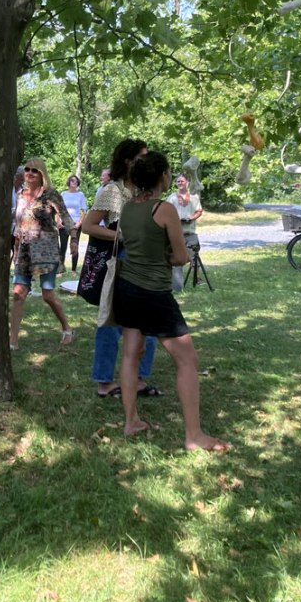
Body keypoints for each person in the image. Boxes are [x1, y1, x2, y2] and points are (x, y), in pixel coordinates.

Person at [112, 151, 229, 451]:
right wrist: (175, 254)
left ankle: (131, 422)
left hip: (127, 289)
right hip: (154, 293)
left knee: (130, 354)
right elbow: (180, 256)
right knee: (187, 360)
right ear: (162, 176)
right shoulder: (164, 209)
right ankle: (194, 436)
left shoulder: (127, 207)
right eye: (168, 172)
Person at [81, 139, 161, 399]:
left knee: (147, 321)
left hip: (145, 261)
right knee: (111, 321)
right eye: (142, 157)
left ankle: (138, 379)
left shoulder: (147, 189)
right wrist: (120, 236)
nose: (146, 161)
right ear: (128, 161)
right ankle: (104, 381)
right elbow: (88, 226)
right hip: (121, 260)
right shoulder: (112, 191)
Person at [9, 157, 74, 349]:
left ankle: (67, 328)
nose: (29, 173)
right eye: (27, 169)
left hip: (46, 250)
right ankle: (12, 340)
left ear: (41, 173)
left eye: (34, 170)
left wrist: (74, 239)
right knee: (18, 294)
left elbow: (66, 217)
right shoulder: (20, 195)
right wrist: (15, 248)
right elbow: (18, 224)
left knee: (47, 295)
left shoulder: (50, 194)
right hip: (25, 251)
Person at [167, 174, 203, 292]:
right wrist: (175, 220)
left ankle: (197, 280)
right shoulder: (172, 198)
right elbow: (166, 213)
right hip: (176, 234)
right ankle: (177, 285)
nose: (180, 183)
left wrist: (192, 218)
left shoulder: (194, 197)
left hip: (190, 232)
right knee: (176, 258)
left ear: (187, 183)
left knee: (194, 256)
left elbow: (199, 211)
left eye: (182, 181)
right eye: (178, 181)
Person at [59, 175, 88, 273]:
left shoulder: (80, 194)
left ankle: (74, 270)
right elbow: (59, 209)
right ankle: (61, 270)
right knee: (63, 247)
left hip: (76, 224)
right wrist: (59, 221)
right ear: (69, 182)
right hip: (64, 223)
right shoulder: (63, 194)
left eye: (76, 181)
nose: (74, 182)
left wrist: (79, 223)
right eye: (72, 180)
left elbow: (84, 211)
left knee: (75, 246)